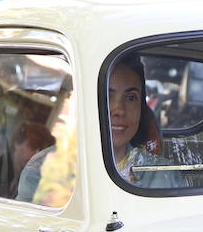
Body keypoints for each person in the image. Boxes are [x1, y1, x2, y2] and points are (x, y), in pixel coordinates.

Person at [16, 55, 168, 202]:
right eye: (107, 96)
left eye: (130, 98)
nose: (119, 109)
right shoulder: (40, 170)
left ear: (141, 107)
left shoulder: (161, 174)